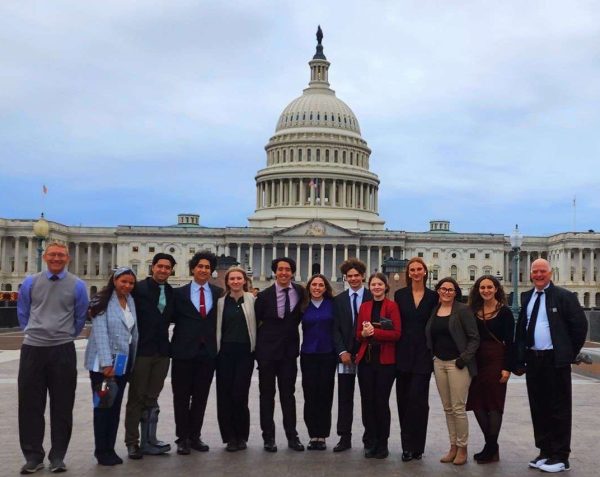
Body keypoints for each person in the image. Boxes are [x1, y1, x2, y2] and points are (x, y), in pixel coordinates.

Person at [16, 242, 89, 474]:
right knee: (29, 405)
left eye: (61, 255)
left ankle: (58, 455)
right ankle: (33, 455)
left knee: (63, 405)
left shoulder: (78, 285)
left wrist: (65, 334)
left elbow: (80, 316)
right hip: (33, 348)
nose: (56, 258)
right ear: (45, 257)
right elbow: (23, 311)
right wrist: (34, 330)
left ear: (67, 258)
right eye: (53, 254)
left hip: (62, 349)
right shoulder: (30, 282)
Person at [515, 259, 588, 473]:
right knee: (539, 407)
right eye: (535, 271)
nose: (538, 275)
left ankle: (561, 456)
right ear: (531, 274)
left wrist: (568, 353)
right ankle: (545, 451)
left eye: (542, 271)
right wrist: (520, 357)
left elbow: (579, 327)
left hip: (555, 360)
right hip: (534, 358)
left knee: (559, 408)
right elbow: (522, 329)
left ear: (550, 273)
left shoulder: (564, 296)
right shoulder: (527, 297)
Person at [170, 251, 223, 455]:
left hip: (207, 353)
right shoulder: (178, 294)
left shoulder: (219, 294)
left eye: (207, 267)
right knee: (181, 397)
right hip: (183, 352)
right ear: (193, 268)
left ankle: (195, 436)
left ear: (212, 271)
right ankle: (182, 438)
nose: (203, 270)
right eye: (200, 266)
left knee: (201, 397)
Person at [124, 253, 176, 459]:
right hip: (142, 351)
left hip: (162, 352)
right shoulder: (138, 289)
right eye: (160, 266)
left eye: (167, 267)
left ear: (171, 270)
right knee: (136, 397)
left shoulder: (172, 292)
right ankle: (132, 442)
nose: (163, 270)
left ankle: (149, 439)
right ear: (152, 267)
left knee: (152, 398)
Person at [85, 267, 138, 466]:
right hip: (103, 366)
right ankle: (101, 451)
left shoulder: (130, 301)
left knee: (114, 408)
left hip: (122, 364)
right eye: (123, 281)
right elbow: (99, 333)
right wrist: (107, 363)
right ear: (114, 280)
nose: (127, 285)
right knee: (103, 409)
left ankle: (110, 448)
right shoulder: (102, 301)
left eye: (131, 283)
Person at [425, 277, 479, 466]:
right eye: (443, 289)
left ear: (456, 292)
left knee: (458, 408)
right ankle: (453, 446)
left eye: (450, 289)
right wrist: (433, 356)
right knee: (448, 408)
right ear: (438, 291)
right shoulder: (435, 310)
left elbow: (474, 338)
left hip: (458, 364)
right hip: (439, 362)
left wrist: (463, 359)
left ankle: (462, 447)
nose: (446, 292)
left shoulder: (463, 310)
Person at [255, 257, 306, 452]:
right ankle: (268, 437)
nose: (284, 273)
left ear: (292, 272)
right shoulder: (265, 295)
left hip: (289, 353)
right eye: (280, 269)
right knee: (266, 395)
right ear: (275, 272)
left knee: (288, 395)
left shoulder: (301, 293)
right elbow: (256, 322)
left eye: (287, 269)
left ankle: (292, 436)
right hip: (267, 353)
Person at [393, 257, 438, 462]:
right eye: (412, 269)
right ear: (408, 273)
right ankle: (406, 446)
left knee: (419, 401)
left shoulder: (433, 296)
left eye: (419, 269)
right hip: (402, 354)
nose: (416, 272)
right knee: (403, 400)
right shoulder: (399, 295)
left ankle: (418, 446)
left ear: (425, 272)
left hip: (423, 354)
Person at [466, 275, 514, 464]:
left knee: (494, 404)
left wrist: (507, 368)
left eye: (489, 287)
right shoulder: (473, 311)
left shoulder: (505, 312)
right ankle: (492, 446)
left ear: (496, 289)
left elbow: (510, 342)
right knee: (477, 404)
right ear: (478, 290)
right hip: (478, 360)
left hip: (496, 360)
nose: (486, 290)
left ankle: (490, 448)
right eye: (482, 287)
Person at [355, 272, 401, 459]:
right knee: (367, 402)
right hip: (366, 361)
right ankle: (370, 440)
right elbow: (358, 334)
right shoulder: (365, 307)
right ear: (370, 286)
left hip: (385, 362)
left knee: (381, 402)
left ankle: (383, 442)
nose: (376, 287)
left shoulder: (392, 306)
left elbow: (396, 334)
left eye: (380, 284)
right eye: (373, 284)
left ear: (385, 286)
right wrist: (364, 334)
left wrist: (374, 333)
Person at [215, 266, 257, 452]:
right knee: (224, 396)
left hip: (245, 354)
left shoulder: (253, 300)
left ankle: (242, 436)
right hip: (224, 353)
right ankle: (229, 437)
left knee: (240, 395)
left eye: (239, 278)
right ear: (227, 282)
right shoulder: (220, 303)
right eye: (232, 279)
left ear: (245, 281)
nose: (235, 282)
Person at [332, 258, 372, 452]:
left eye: (357, 275)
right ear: (345, 278)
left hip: (367, 356)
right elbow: (335, 328)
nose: (354, 278)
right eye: (350, 276)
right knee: (345, 397)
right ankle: (344, 437)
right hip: (346, 357)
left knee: (368, 397)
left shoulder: (373, 297)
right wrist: (342, 351)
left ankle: (369, 438)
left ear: (363, 276)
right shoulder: (338, 300)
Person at [300, 274, 337, 450]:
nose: (317, 288)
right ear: (309, 287)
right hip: (308, 354)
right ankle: (312, 434)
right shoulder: (303, 305)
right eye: (314, 285)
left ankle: (322, 435)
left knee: (325, 394)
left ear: (325, 287)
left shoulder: (332, 305)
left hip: (327, 353)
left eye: (320, 285)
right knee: (310, 395)